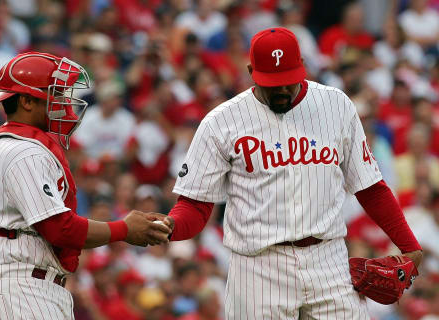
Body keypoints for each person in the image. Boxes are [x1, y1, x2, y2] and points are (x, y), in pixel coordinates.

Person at [161, 28, 423, 319]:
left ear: (302, 66)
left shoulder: (336, 105)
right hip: (258, 266)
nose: (282, 90)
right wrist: (169, 225)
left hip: (328, 258)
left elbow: (370, 187)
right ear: (251, 71)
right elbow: (196, 206)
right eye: (272, 84)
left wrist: (410, 246)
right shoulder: (221, 122)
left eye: (288, 81)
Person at [0, 52, 171, 319]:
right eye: (54, 94)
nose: (63, 102)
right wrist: (123, 229)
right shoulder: (23, 151)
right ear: (26, 101)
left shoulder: (19, 145)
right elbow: (59, 228)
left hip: (27, 285)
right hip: (22, 287)